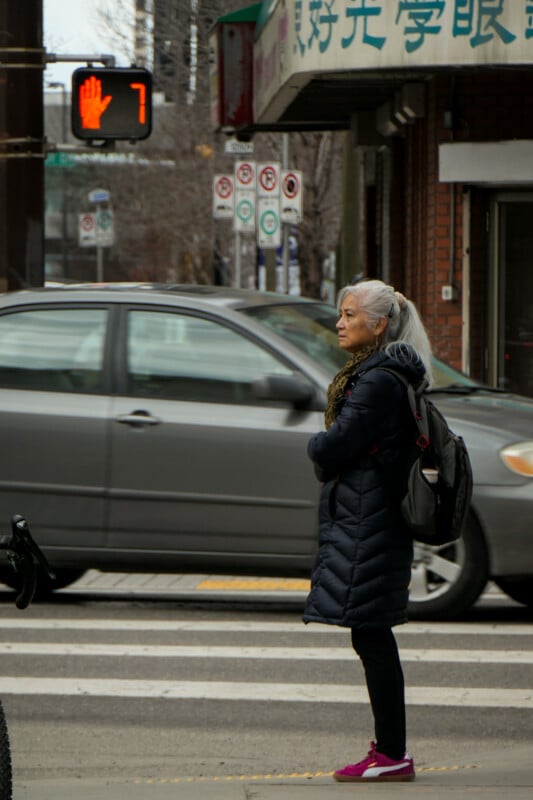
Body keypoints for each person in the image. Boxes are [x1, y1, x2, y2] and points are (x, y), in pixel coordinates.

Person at [303, 279, 433, 783]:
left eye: (351, 314)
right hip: (369, 515)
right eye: (341, 313)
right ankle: (390, 750)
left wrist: (319, 445)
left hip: (370, 519)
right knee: (371, 634)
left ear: (379, 325)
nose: (340, 322)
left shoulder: (377, 380)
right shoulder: (379, 374)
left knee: (373, 635)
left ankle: (393, 754)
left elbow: (333, 446)